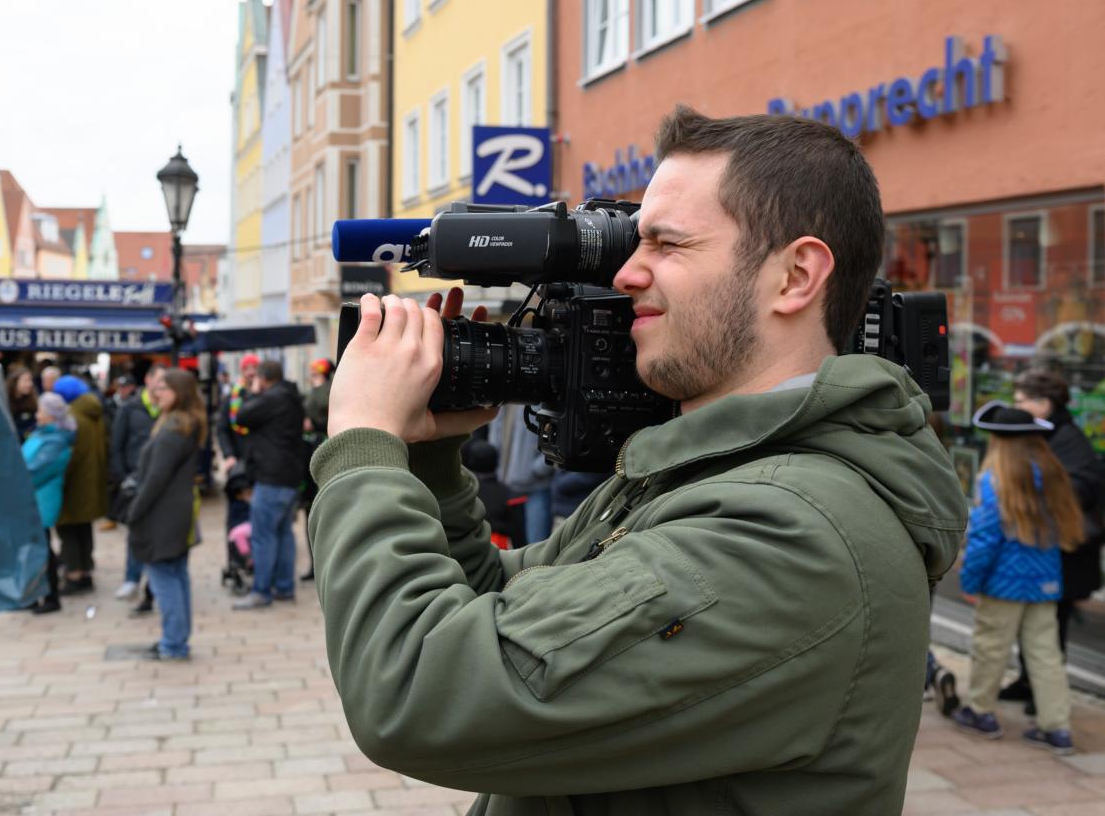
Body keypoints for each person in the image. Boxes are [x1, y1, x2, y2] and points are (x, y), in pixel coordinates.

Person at [306, 108, 966, 815]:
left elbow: (414, 693)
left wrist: (363, 439)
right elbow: (493, 610)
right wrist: (426, 454)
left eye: (666, 244)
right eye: (631, 241)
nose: (624, 274)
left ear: (795, 276)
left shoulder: (793, 537)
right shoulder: (700, 474)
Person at [951, 401, 1083, 755]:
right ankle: (1057, 728)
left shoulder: (995, 481)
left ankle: (980, 711)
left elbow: (983, 539)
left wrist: (970, 580)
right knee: (1045, 654)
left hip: (1002, 583)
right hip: (1045, 581)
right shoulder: (1053, 475)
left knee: (990, 647)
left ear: (999, 441)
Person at [998, 368, 1105, 713]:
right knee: (1034, 620)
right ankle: (1027, 680)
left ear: (1043, 404)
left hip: (1064, 553)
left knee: (1049, 626)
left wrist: (1029, 491)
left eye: (1021, 401)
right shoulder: (1045, 433)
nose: (1015, 406)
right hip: (1046, 548)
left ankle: (1042, 692)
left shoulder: (1067, 439)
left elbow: (1076, 491)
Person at [125, 368, 205, 661]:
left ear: (179, 393)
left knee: (164, 577)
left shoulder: (174, 428)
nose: (157, 393)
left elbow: (155, 478)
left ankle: (173, 643)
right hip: (176, 510)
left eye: (163, 388)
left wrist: (134, 512)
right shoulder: (181, 423)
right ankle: (176, 639)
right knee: (176, 575)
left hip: (163, 513)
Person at [231, 359, 306, 609]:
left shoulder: (272, 398)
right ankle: (284, 588)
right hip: (290, 477)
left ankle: (261, 591)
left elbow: (241, 416)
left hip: (271, 478)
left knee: (263, 536)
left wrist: (253, 392)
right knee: (284, 534)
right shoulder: (291, 396)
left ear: (263, 378)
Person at [110, 364, 164, 612]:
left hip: (161, 483)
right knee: (135, 533)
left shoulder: (168, 410)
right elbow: (116, 445)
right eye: (159, 381)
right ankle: (132, 578)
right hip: (135, 480)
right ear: (148, 380)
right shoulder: (131, 408)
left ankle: (153, 588)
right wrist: (122, 477)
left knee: (157, 535)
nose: (162, 387)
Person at [21, 393, 77, 615]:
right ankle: (35, 595)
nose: (37, 414)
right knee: (35, 549)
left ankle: (51, 595)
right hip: (31, 498)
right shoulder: (41, 434)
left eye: (41, 411)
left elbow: (37, 470)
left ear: (52, 415)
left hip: (41, 500)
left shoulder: (55, 440)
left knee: (42, 549)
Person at [53, 374, 108, 595]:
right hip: (91, 479)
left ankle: (74, 574)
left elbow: (70, 455)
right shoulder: (93, 412)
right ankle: (86, 570)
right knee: (83, 527)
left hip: (74, 482)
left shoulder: (72, 416)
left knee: (68, 529)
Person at [488, 405, 554, 542]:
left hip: (535, 489)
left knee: (536, 549)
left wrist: (538, 469)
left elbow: (557, 437)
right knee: (512, 549)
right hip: (505, 488)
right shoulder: (504, 400)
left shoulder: (539, 400)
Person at [300, 357, 334, 581]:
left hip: (323, 448)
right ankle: (314, 564)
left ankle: (324, 565)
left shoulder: (328, 390)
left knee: (324, 512)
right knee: (309, 511)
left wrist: (315, 424)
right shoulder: (312, 391)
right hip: (307, 451)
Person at [217, 353, 259, 534]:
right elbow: (222, 429)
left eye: (254, 369)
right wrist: (229, 455)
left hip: (260, 462)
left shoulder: (265, 395)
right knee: (237, 511)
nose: (250, 373)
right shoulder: (232, 397)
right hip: (238, 463)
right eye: (246, 369)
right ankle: (238, 553)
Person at [460, 438, 526, 549]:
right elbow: (519, 535)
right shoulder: (509, 494)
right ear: (496, 462)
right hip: (500, 550)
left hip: (471, 547)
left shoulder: (466, 492)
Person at [7, 367, 38, 443]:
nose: (30, 384)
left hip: (26, 442)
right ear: (15, 382)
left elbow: (34, 424)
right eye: (25, 380)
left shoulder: (32, 400)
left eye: (31, 380)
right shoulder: (5, 400)